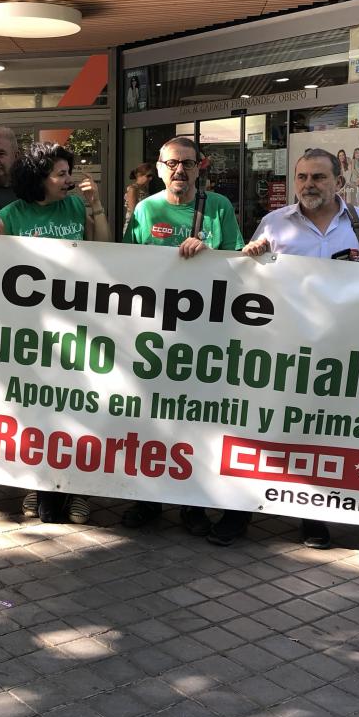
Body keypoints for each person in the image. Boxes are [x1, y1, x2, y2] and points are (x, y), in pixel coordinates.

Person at [243, 147, 359, 549]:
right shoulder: (273, 223)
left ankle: (314, 517)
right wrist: (251, 256)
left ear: (338, 182)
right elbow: (247, 284)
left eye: (319, 177)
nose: (309, 185)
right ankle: (238, 511)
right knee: (266, 425)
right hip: (282, 348)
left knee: (320, 431)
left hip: (338, 351)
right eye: (302, 177)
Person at [122, 137, 248, 545]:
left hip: (203, 336)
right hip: (154, 337)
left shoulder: (219, 208)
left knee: (195, 422)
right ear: (159, 168)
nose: (180, 171)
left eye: (188, 164)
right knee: (149, 419)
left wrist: (209, 252)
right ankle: (147, 500)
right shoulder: (146, 209)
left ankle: (192, 504)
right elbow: (127, 267)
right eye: (172, 164)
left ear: (201, 168)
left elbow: (237, 262)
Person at [0, 141, 109, 524]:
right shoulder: (11, 215)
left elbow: (107, 252)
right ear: (38, 177)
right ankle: (36, 483)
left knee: (77, 410)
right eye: (60, 173)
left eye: (68, 172)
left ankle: (78, 491)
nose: (68, 180)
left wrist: (95, 207)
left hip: (79, 328)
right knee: (36, 411)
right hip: (32, 333)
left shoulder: (78, 206)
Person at [121, 162, 155, 239]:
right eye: (148, 176)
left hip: (144, 224)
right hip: (135, 225)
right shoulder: (133, 189)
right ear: (139, 175)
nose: (151, 179)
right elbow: (134, 212)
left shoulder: (145, 189)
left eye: (152, 176)